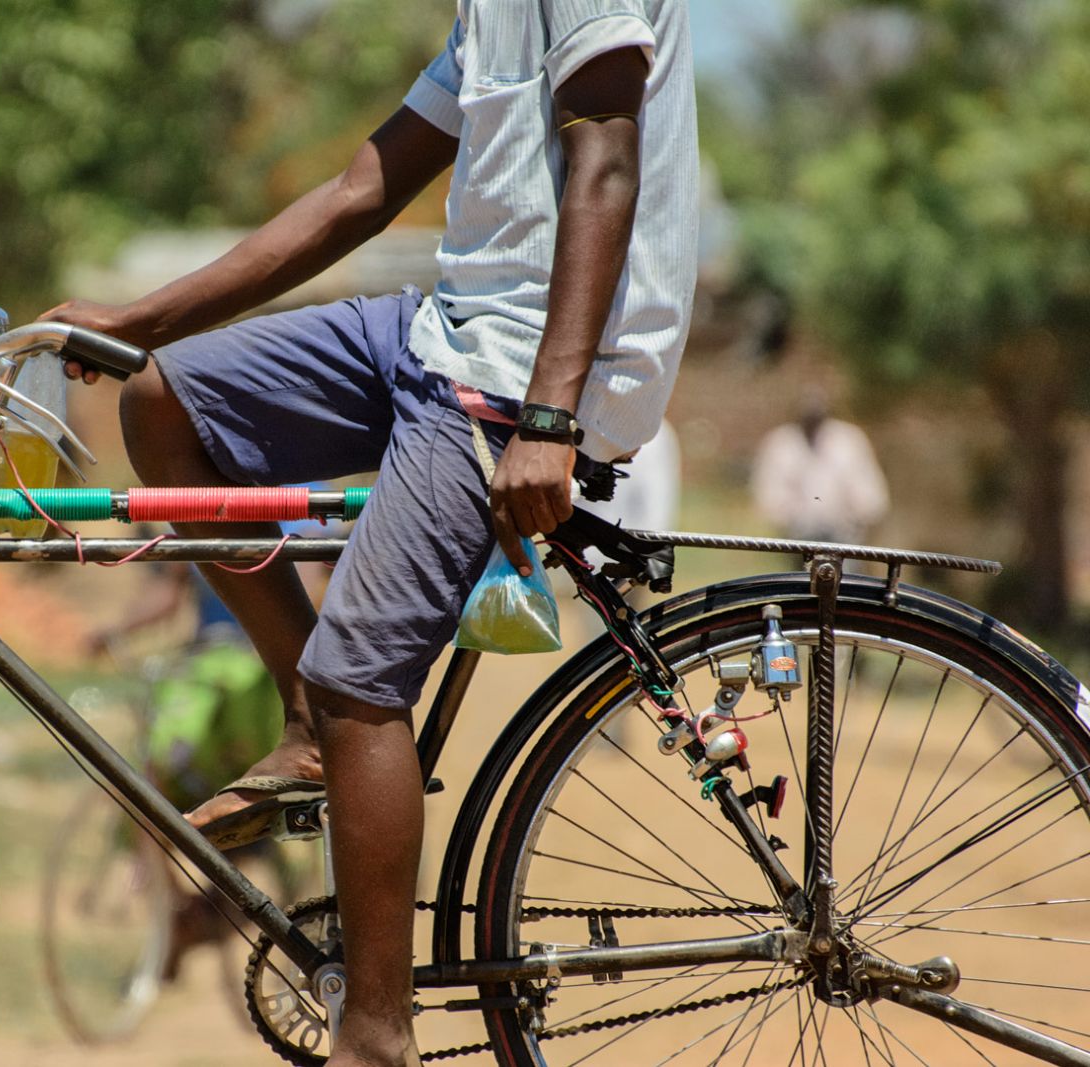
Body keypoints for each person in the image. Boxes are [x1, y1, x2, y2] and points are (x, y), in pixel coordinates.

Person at [45, 1, 697, 1061]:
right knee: (165, 402)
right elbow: (362, 188)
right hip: (440, 331)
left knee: (364, 682)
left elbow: (608, 163)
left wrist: (547, 416)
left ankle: (375, 1033)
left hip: (522, 371)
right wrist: (138, 322)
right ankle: (307, 719)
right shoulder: (482, 12)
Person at [751, 393, 889, 545]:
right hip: (797, 536)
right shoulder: (781, 443)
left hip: (843, 534)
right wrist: (790, 516)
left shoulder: (848, 441)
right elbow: (769, 493)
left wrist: (856, 514)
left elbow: (869, 492)